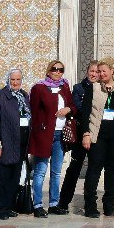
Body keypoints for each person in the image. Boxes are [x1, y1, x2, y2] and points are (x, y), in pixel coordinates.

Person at [28, 60, 76, 217]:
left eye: (61, 70)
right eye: (54, 69)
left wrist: (68, 109)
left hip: (60, 134)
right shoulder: (39, 88)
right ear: (48, 71)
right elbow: (33, 112)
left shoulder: (65, 87)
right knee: (40, 171)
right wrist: (36, 133)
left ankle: (54, 203)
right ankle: (38, 204)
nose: (57, 72)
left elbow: (73, 106)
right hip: (44, 135)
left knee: (56, 172)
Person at [79, 58, 114, 217]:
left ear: (112, 71)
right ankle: (90, 205)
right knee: (94, 169)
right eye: (99, 71)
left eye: (104, 70)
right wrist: (86, 133)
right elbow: (85, 113)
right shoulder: (93, 88)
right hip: (97, 135)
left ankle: (108, 205)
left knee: (112, 170)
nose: (101, 74)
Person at [0, 68, 31, 220]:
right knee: (1, 178)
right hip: (5, 145)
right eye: (13, 80)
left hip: (20, 146)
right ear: (8, 80)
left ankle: (8, 205)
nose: (16, 82)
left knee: (14, 177)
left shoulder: (24, 96)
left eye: (18, 80)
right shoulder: (0, 97)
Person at [58, 62, 99, 213]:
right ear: (87, 71)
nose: (94, 74)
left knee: (93, 170)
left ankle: (90, 204)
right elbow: (78, 108)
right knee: (74, 168)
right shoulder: (78, 88)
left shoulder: (101, 88)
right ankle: (63, 202)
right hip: (82, 132)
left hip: (97, 135)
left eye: (97, 71)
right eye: (92, 71)